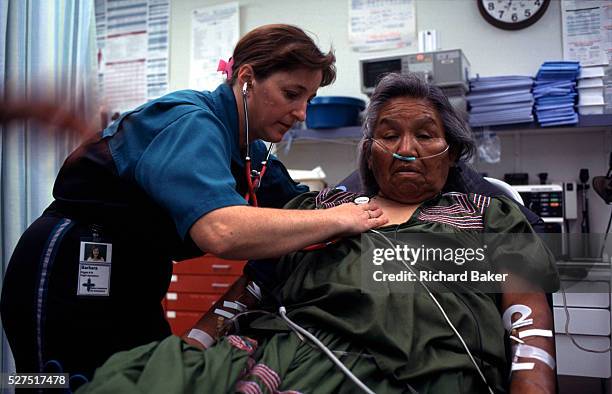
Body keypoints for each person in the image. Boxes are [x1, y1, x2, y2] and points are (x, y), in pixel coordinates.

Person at [76, 73, 560, 394]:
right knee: (123, 380)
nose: (407, 149)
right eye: (389, 136)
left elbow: (529, 330)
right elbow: (250, 289)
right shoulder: (318, 210)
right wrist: (196, 346)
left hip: (413, 371)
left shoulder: (488, 215)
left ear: (452, 151)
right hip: (278, 352)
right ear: (369, 152)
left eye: (427, 136)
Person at [0, 24, 387, 380]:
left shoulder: (246, 146)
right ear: (247, 78)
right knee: (62, 383)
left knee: (137, 381)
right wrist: (342, 219)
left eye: (310, 98)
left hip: (137, 275)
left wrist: (373, 200)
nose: (301, 113)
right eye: (291, 94)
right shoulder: (191, 123)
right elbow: (223, 230)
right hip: (75, 261)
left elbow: (302, 208)